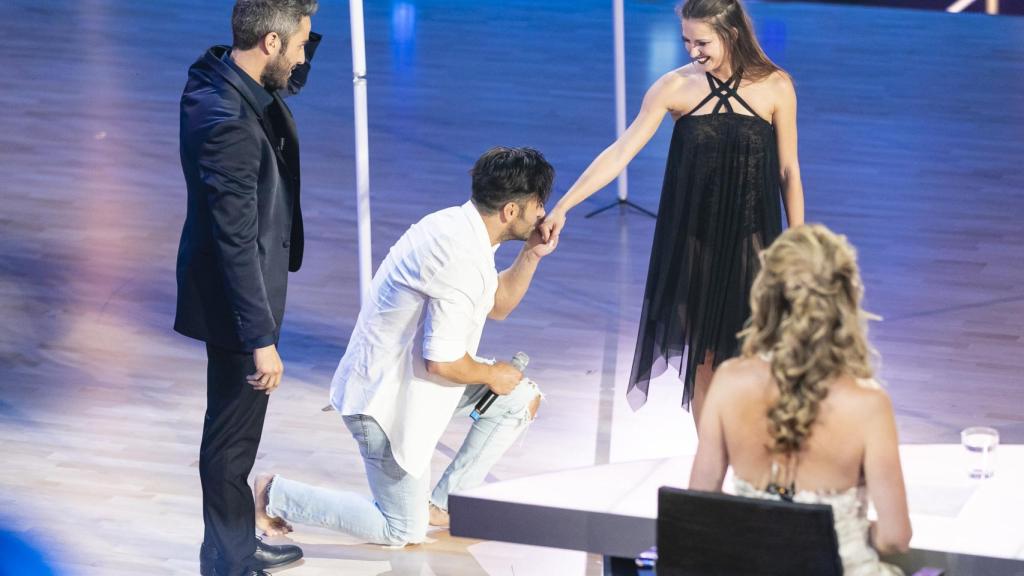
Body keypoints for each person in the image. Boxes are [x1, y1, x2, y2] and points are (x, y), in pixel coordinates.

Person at [251, 147, 554, 546]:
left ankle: (444, 505)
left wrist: (531, 253)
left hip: (413, 385)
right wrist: (491, 374)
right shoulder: (458, 254)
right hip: (383, 402)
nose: (543, 214)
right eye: (538, 205)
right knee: (402, 530)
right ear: (510, 211)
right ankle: (274, 493)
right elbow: (442, 361)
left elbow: (498, 305)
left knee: (519, 398)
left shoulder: (463, 227)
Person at [539, 0, 804, 426]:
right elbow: (620, 152)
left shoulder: (776, 86)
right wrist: (564, 206)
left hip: (753, 240)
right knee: (705, 359)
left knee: (757, 358)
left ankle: (752, 454)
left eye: (703, 42)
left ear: (732, 34)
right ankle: (711, 460)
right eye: (687, 42)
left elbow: (788, 170)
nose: (693, 51)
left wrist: (799, 243)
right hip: (694, 241)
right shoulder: (673, 87)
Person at [174, 1, 320, 574]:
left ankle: (230, 546)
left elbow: (289, 70)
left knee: (235, 437)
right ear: (270, 43)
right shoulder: (226, 124)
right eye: (300, 43)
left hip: (248, 287)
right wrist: (260, 339)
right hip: (239, 300)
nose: (304, 57)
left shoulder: (224, 73)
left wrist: (301, 17)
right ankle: (227, 560)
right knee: (230, 442)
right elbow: (235, 242)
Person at [689, 224, 912, 575]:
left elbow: (701, 505)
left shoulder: (728, 382)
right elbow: (895, 537)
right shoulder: (869, 405)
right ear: (845, 303)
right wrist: (850, 532)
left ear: (766, 298)